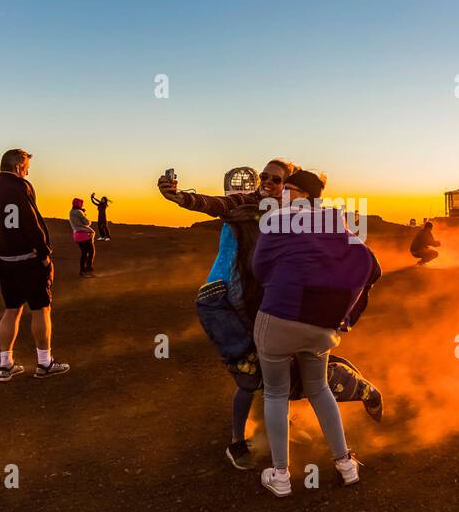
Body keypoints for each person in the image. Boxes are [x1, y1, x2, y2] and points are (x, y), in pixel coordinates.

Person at [160, 162, 384, 472]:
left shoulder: (289, 218)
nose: (265, 182)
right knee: (252, 377)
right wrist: (178, 197)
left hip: (259, 301)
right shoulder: (248, 204)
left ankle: (274, 432)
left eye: (277, 180)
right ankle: (238, 442)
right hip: (222, 300)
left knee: (279, 374)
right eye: (263, 176)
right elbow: (215, 204)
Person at [251, 169, 381, 497]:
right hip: (322, 325)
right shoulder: (336, 224)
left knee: (276, 393)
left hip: (279, 318)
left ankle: (281, 476)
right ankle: (346, 465)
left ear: (304, 194)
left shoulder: (277, 221)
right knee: (319, 389)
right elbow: (372, 266)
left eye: (288, 188)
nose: (280, 193)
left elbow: (259, 269)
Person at [0, 148, 70, 381]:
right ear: (18, 166)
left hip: (3, 259)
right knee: (41, 308)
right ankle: (44, 363)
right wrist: (44, 254)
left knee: (11, 309)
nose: (28, 172)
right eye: (27, 168)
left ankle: (5, 365)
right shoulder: (21, 187)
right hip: (28, 259)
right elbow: (32, 222)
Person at [69, 197, 96, 277]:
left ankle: (83, 270)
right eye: (81, 203)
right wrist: (84, 214)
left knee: (84, 253)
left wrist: (82, 212)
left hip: (77, 235)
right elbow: (87, 223)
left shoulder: (71, 212)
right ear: (79, 204)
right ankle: (87, 269)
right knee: (90, 252)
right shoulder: (79, 212)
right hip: (84, 234)